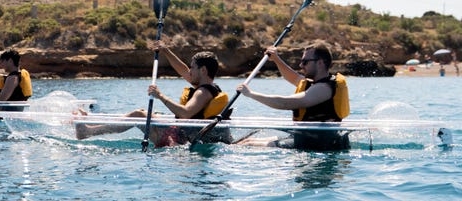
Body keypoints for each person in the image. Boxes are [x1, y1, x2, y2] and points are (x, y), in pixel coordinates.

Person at [75, 41, 231, 147]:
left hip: (178, 140)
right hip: (180, 134)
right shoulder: (208, 86)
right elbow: (183, 70)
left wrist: (160, 95)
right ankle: (89, 128)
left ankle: (88, 131)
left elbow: (185, 113)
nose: (189, 72)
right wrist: (166, 51)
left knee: (139, 115)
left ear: (203, 70)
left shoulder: (203, 92)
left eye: (193, 68)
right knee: (142, 113)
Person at [236, 43, 350, 150]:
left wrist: (251, 94)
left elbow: (286, 103)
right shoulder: (313, 83)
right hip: (304, 138)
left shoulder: (324, 88)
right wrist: (276, 59)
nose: (301, 65)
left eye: (305, 62)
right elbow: (292, 77)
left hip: (319, 144)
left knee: (251, 144)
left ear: (320, 63)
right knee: (246, 141)